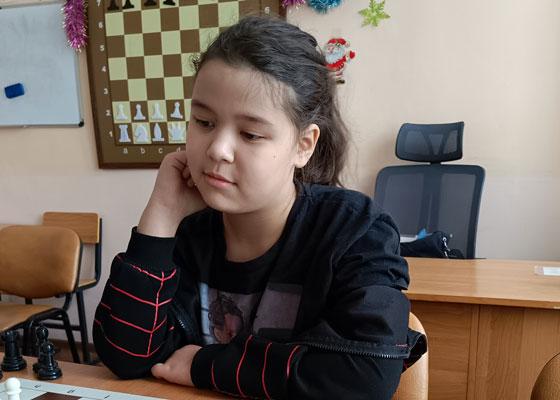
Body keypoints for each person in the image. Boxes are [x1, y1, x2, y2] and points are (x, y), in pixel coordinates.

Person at [93, 16, 426, 400]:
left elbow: (365, 377)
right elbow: (125, 356)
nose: (218, 149)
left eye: (250, 134)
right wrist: (162, 215)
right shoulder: (188, 232)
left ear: (303, 145)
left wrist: (205, 365)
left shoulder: (355, 231)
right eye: (203, 121)